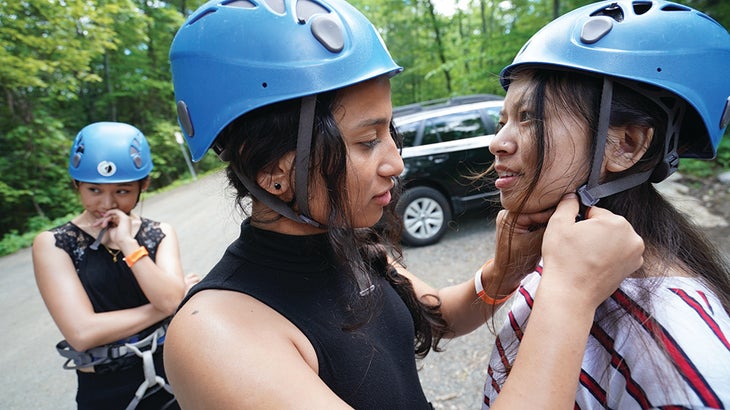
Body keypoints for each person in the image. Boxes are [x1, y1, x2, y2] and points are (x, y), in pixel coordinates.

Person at [163, 0, 643, 408]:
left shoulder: (345, 241)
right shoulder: (216, 334)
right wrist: (570, 293)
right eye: (368, 141)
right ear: (274, 171)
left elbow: (439, 314)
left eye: (389, 132)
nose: (396, 162)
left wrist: (503, 271)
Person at [481, 0, 730, 408]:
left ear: (626, 145)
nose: (497, 142)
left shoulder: (680, 353)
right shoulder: (570, 257)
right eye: (503, 119)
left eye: (530, 117)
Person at [32, 122, 199, 409]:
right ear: (77, 185)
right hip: (106, 388)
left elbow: (170, 299)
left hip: (172, 370)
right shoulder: (54, 244)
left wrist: (128, 244)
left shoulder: (158, 232)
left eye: (122, 191)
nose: (107, 203)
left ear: (142, 186)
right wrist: (161, 309)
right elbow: (82, 333)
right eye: (94, 190)